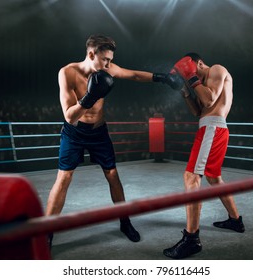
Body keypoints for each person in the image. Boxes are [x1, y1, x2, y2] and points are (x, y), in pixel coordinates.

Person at [46, 34, 180, 248]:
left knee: (113, 174)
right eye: (105, 59)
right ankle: (47, 231)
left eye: (110, 59)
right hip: (75, 133)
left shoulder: (105, 69)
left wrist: (161, 77)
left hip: (99, 132)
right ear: (91, 54)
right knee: (63, 178)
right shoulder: (67, 73)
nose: (109, 64)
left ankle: (125, 222)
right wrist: (89, 97)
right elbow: (70, 116)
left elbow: (134, 75)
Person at [163, 53, 245, 259]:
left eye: (191, 69)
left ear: (198, 63)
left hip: (213, 128)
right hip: (209, 127)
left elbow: (209, 100)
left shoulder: (216, 68)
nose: (191, 75)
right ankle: (235, 220)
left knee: (191, 177)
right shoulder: (201, 82)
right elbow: (198, 111)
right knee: (214, 178)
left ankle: (191, 240)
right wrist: (185, 91)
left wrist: (191, 77)